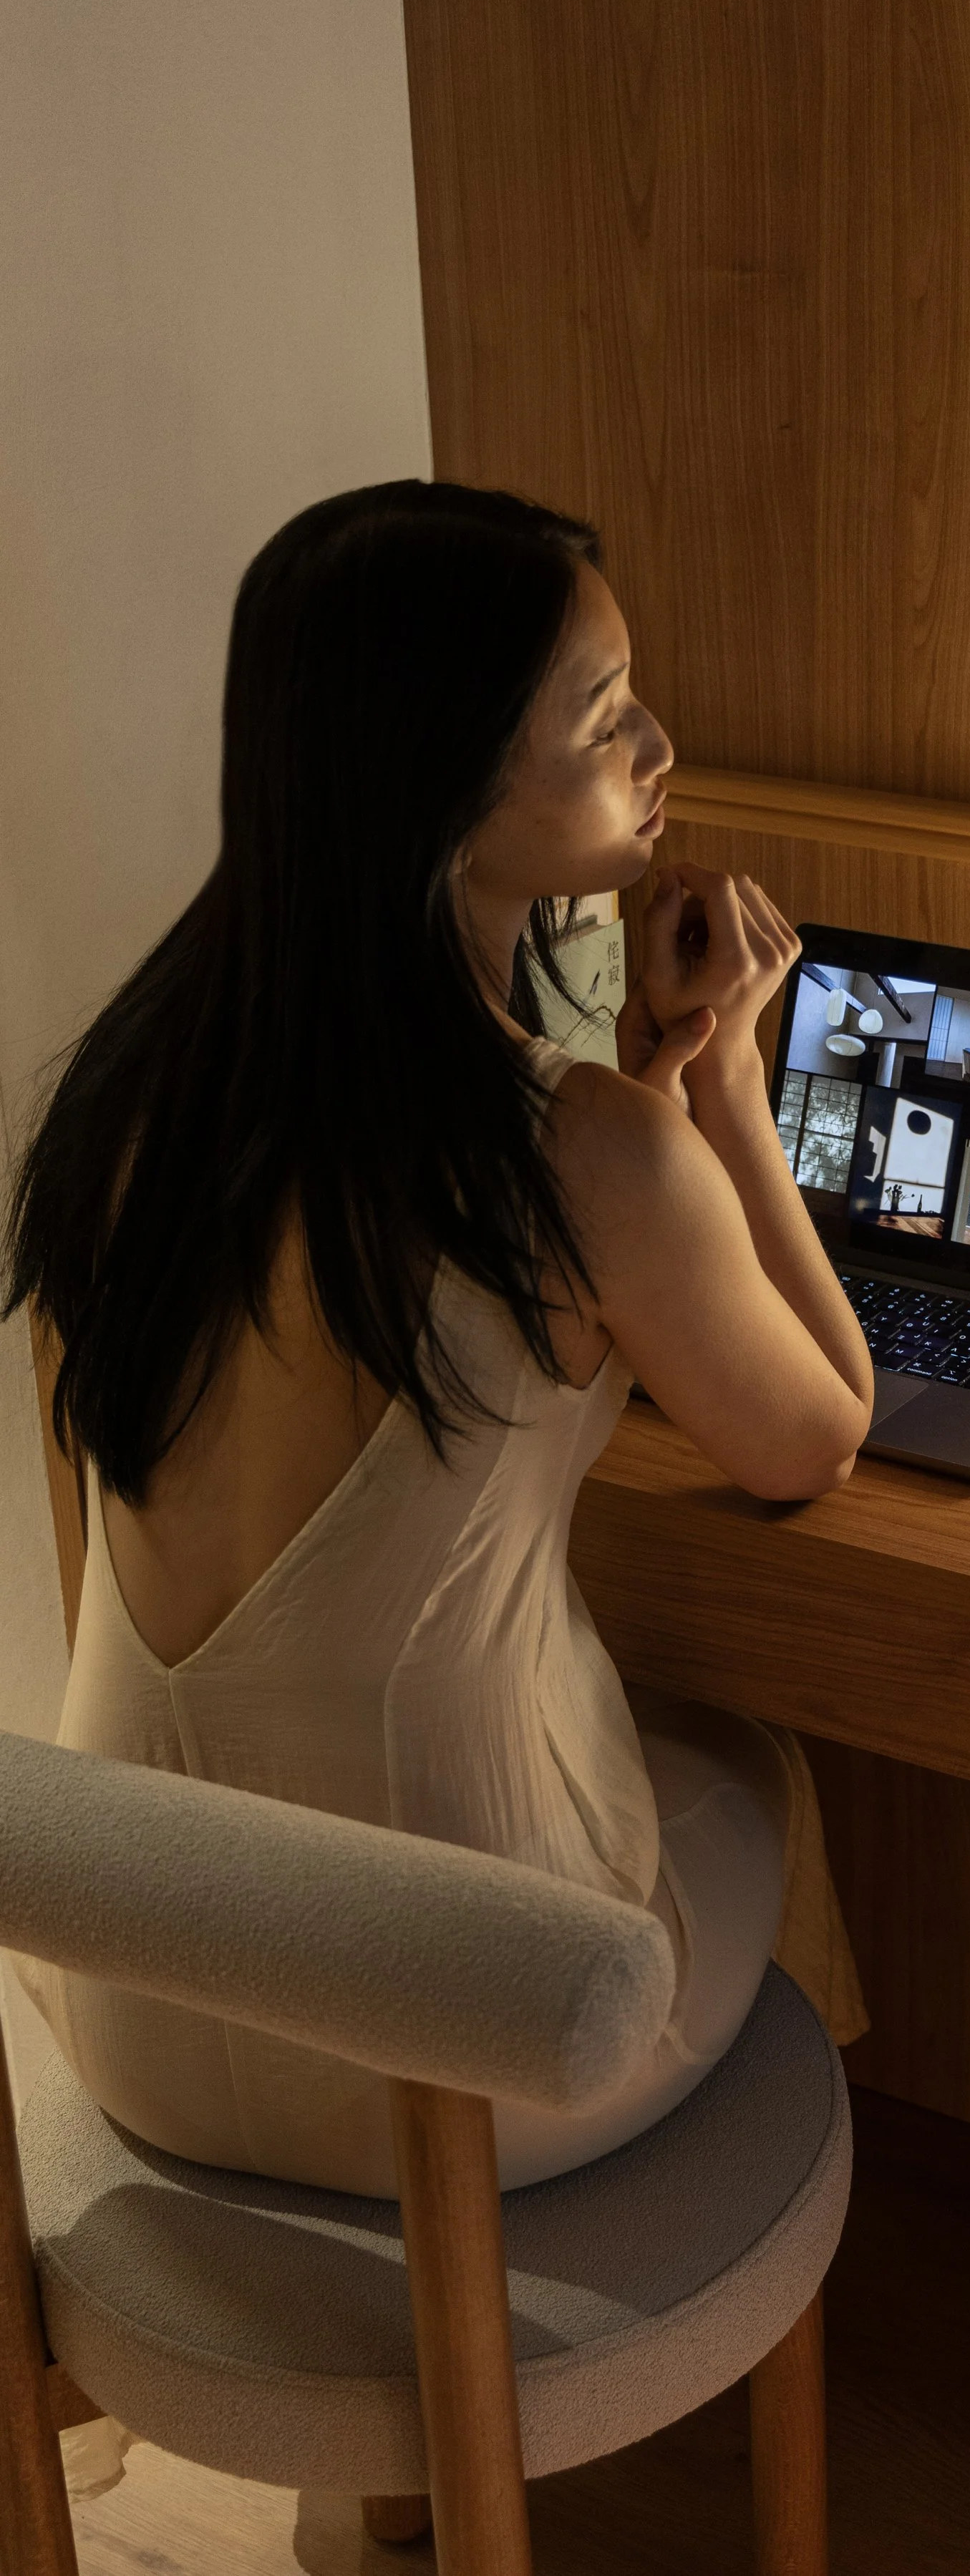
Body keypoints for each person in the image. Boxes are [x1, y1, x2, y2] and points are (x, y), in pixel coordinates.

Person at [4, 480, 873, 2197]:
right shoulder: (591, 1157)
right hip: (449, 2059)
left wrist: (642, 1098)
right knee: (758, 1772)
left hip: (138, 2000)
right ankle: (734, 2262)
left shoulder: (132, 1111)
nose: (659, 741)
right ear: (442, 780)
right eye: (603, 713)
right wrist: (729, 1093)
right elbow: (815, 1432)